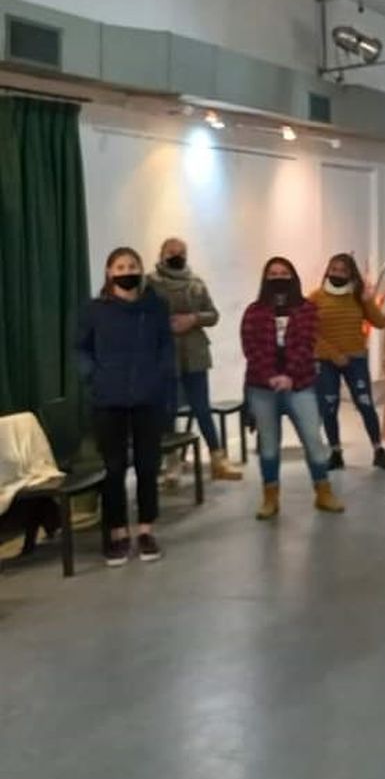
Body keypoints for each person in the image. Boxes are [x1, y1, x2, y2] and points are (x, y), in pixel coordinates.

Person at [76, 247, 175, 566]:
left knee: (148, 465)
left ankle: (146, 530)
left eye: (132, 265)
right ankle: (117, 532)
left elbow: (165, 347)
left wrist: (159, 377)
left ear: (141, 270)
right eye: (120, 266)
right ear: (109, 272)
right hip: (108, 401)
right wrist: (93, 376)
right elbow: (80, 348)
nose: (126, 271)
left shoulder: (156, 307)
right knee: (114, 468)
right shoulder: (95, 310)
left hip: (148, 398)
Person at [241, 257, 342, 520]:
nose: (278, 277)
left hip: (301, 385)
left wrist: (289, 376)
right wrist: (271, 376)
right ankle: (270, 498)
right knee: (269, 446)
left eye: (283, 272)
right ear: (265, 279)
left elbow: (306, 345)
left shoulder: (306, 309)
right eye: (272, 273)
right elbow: (251, 349)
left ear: (292, 277)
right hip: (262, 387)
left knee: (313, 440)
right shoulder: (254, 311)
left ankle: (323, 492)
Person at [147, 237, 240, 482]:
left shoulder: (196, 283)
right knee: (167, 410)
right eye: (171, 252)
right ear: (161, 254)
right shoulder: (150, 283)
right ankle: (172, 461)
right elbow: (141, 315)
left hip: (195, 354)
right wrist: (163, 325)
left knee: (202, 407)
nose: (176, 256)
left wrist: (194, 319)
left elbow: (213, 314)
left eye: (181, 252)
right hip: (164, 355)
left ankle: (218, 458)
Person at [308, 253, 385, 472]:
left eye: (343, 270)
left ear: (351, 274)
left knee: (365, 405)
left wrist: (368, 301)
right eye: (334, 269)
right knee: (329, 407)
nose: (337, 274)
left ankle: (378, 451)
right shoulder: (315, 298)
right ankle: (335, 452)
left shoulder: (357, 296)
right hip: (325, 361)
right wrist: (333, 354)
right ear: (327, 270)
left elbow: (379, 322)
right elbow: (310, 332)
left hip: (355, 359)